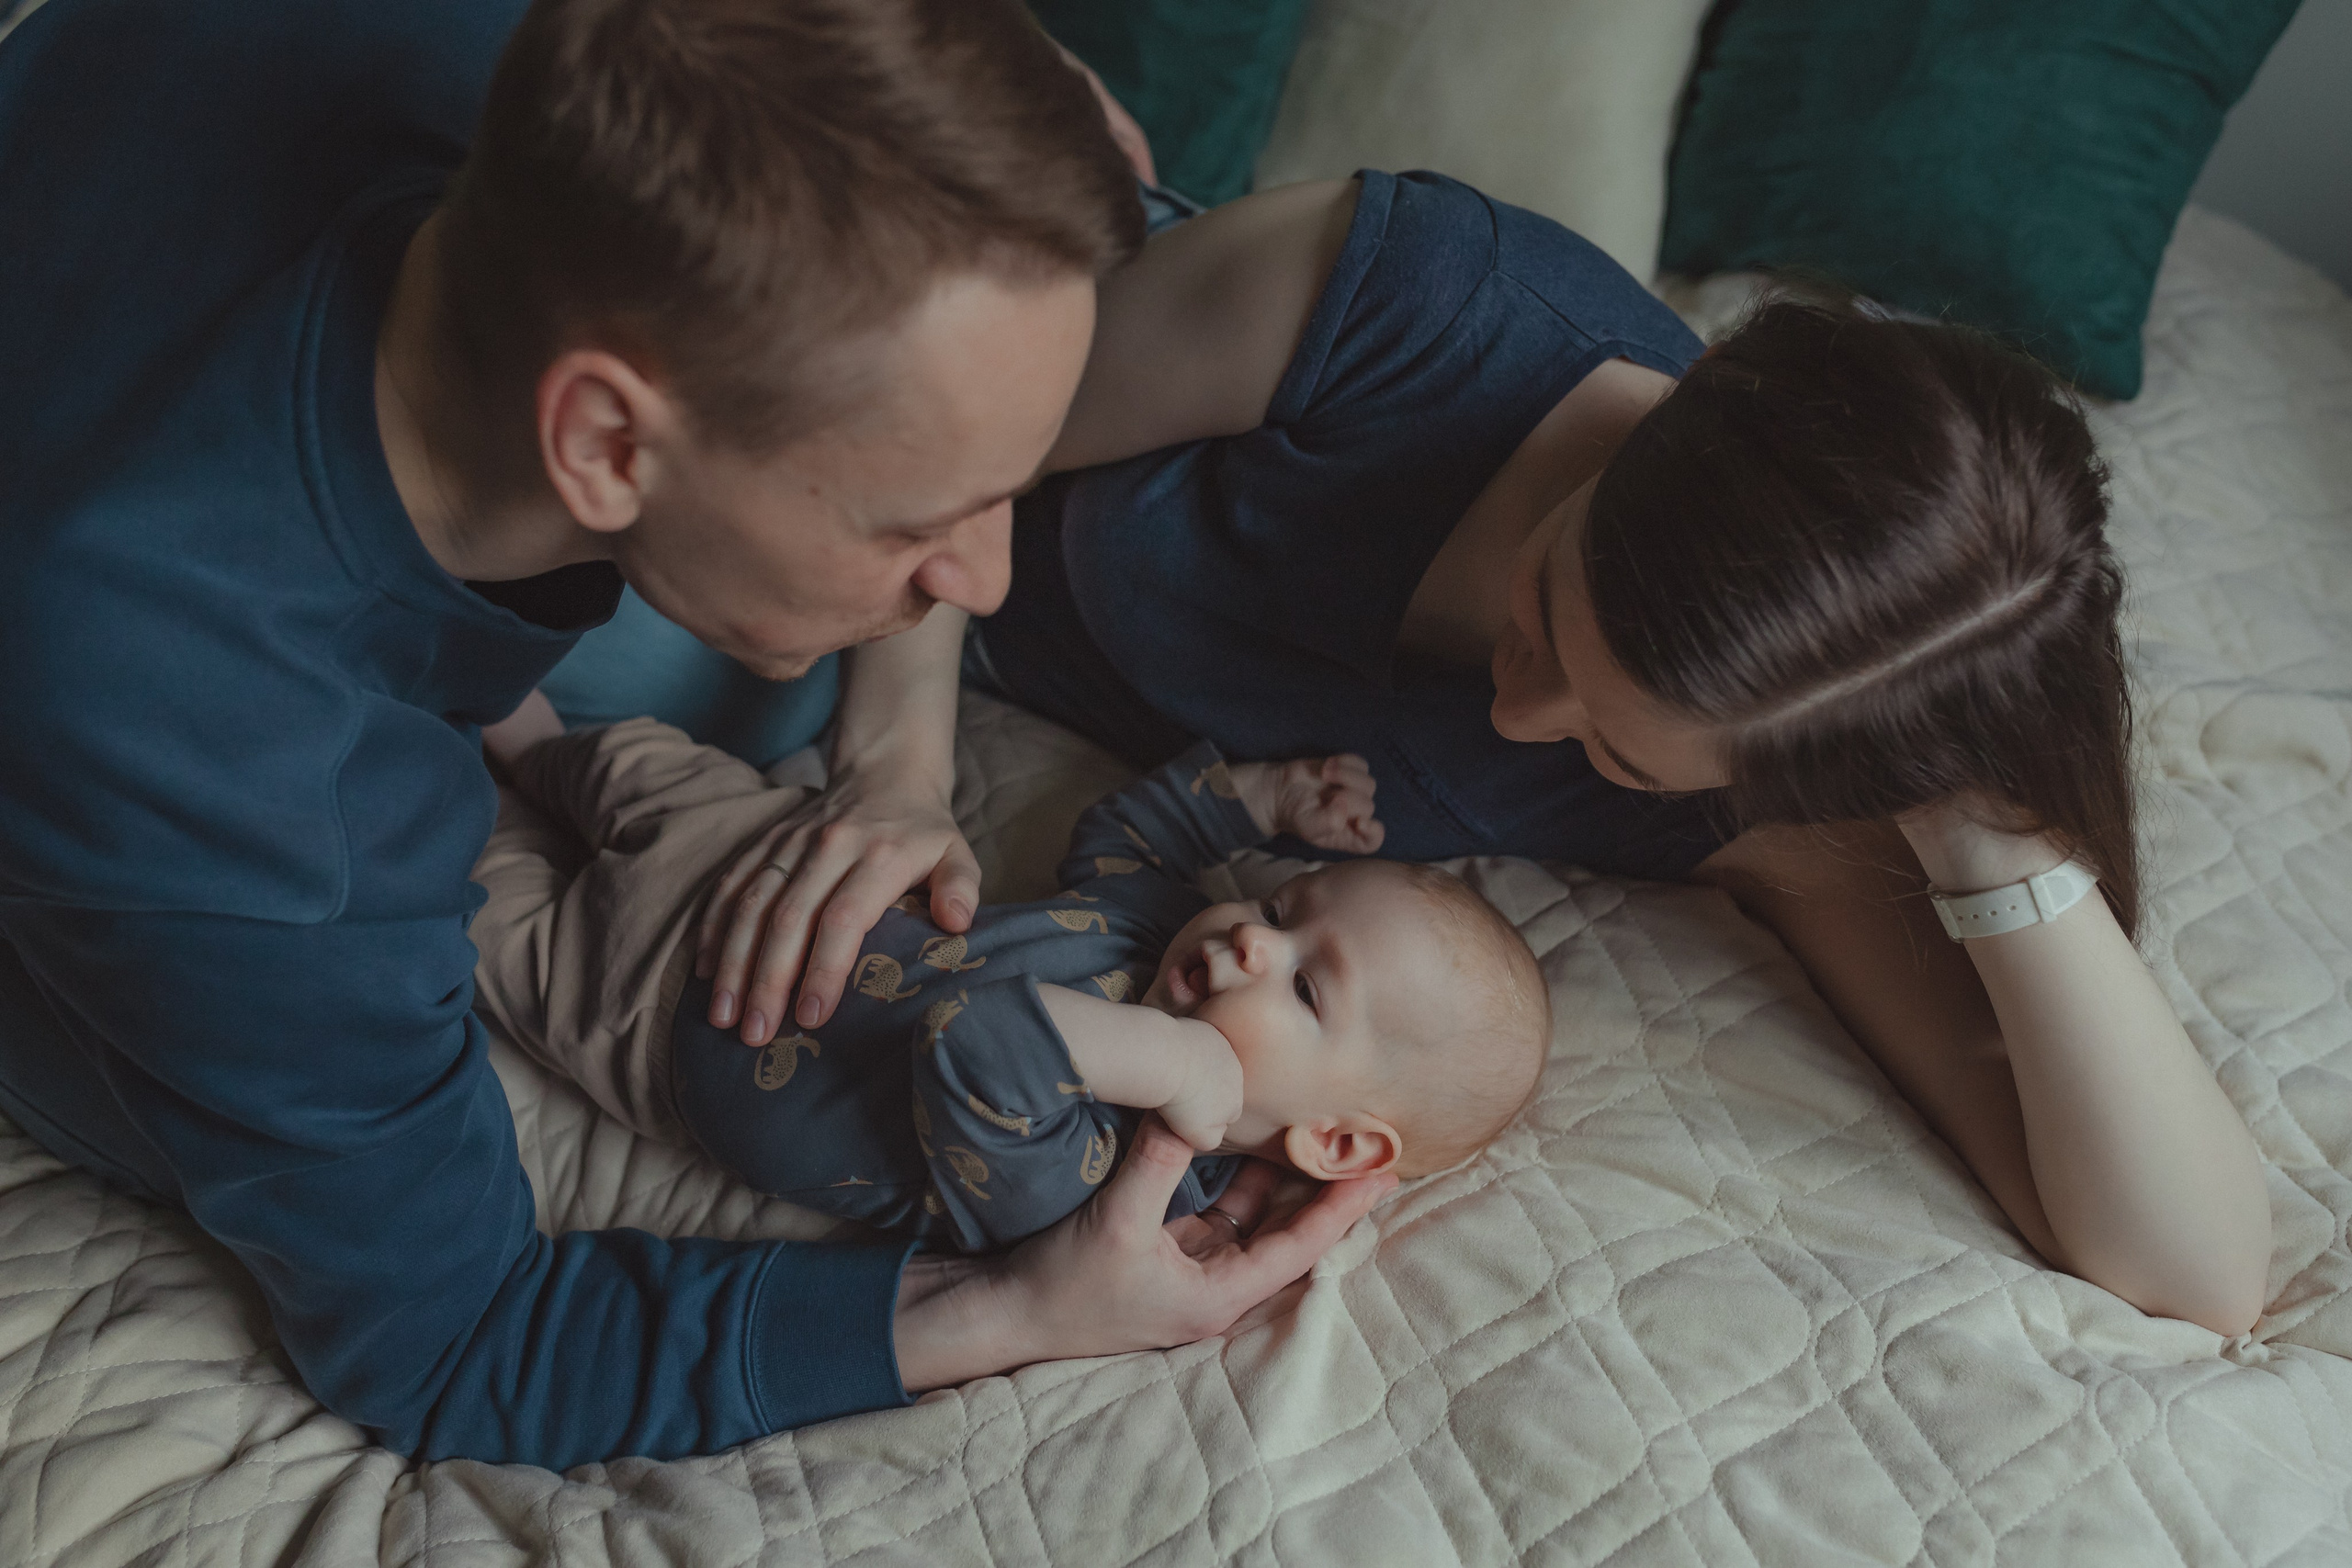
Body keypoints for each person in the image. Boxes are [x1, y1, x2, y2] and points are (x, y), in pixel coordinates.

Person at [0, 0, 1388, 1470]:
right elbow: (455, 1338)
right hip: (102, 705)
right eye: (921, 517)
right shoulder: (238, 799)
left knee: (793, 670)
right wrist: (1019, 1301)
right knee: (195, 1113)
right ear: (604, 442)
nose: (983, 580)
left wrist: (968, 83)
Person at [897, 170, 2272, 1336]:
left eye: (1622, 756)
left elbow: (2195, 1274)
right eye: (1548, 615)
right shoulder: (1409, 302)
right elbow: (927, 440)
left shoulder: (1787, 785)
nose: (1516, 721)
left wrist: (1986, 822)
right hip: (875, 427)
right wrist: (890, 770)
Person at [469, 705, 1548, 1251]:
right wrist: (1258, 801)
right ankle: (528, 743)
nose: (1253, 942)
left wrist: (1174, 1061)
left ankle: (461, 795)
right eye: (1278, 910)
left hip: (659, 1018)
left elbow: (974, 1040)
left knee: (477, 899)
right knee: (627, 759)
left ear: (1338, 1142)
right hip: (769, 855)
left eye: (1306, 990)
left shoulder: (1109, 1185)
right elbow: (1128, 834)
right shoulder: (1168, 930)